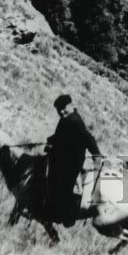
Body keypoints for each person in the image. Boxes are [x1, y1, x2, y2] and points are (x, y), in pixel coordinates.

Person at [45, 94, 102, 225]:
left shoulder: (75, 121)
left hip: (71, 163)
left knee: (63, 186)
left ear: (71, 105)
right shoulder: (66, 118)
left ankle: (66, 216)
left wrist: (97, 157)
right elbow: (60, 135)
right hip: (62, 158)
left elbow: (89, 139)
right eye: (58, 109)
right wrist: (51, 140)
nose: (61, 111)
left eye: (63, 108)